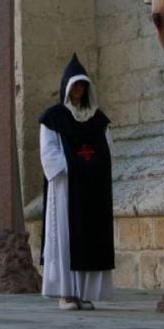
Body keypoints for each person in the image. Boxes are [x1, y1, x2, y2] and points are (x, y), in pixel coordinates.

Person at [39, 54, 115, 311]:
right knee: (66, 237)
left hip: (92, 187)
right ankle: (66, 293)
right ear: (67, 88)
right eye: (75, 86)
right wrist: (74, 167)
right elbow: (49, 153)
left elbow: (107, 149)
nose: (79, 90)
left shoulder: (97, 119)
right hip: (65, 188)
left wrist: (92, 167)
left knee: (89, 237)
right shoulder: (53, 118)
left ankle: (83, 292)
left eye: (83, 86)